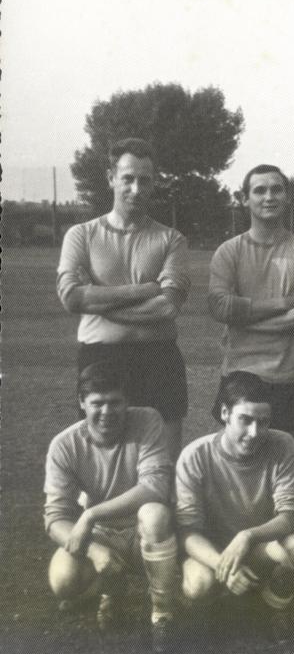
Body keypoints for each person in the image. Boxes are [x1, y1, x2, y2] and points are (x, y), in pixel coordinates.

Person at [57, 137, 190, 460]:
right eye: (127, 178)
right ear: (111, 178)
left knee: (164, 463)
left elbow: (167, 306)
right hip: (100, 358)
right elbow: (72, 298)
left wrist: (100, 302)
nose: (135, 188)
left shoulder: (171, 239)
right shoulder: (81, 235)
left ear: (153, 182)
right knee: (101, 462)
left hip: (159, 359)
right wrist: (144, 289)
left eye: (144, 180)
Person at [43, 361, 180, 652]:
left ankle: (162, 612)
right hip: (102, 536)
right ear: (82, 402)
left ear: (127, 400)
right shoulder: (64, 444)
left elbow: (156, 487)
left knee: (155, 513)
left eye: (115, 402)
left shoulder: (147, 421)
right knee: (63, 582)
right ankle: (111, 591)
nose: (107, 412)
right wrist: (93, 549)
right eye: (97, 403)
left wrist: (91, 514)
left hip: (143, 532)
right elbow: (55, 517)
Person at [175, 371, 294, 638]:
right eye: (246, 420)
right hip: (213, 551)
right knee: (198, 586)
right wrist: (221, 565)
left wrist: (247, 537)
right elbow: (188, 532)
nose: (254, 433)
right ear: (225, 413)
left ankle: (272, 605)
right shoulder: (195, 455)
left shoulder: (282, 444)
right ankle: (221, 602)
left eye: (263, 422)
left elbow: (292, 516)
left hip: (258, 547)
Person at [208, 164, 294, 449]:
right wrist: (284, 304)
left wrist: (245, 321)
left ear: (287, 198)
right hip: (240, 374)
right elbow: (220, 307)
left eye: (277, 189)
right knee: (240, 463)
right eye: (259, 190)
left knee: (287, 461)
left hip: (292, 375)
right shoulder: (229, 251)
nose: (269, 197)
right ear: (244, 198)